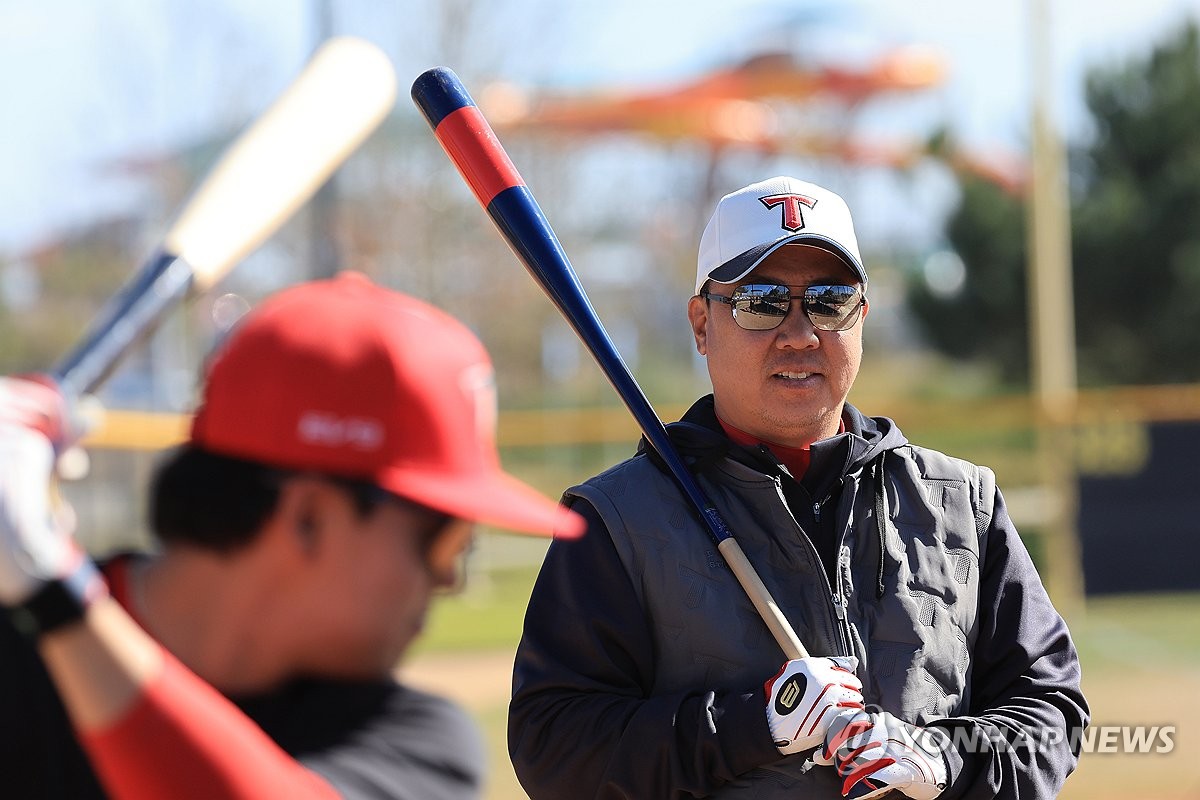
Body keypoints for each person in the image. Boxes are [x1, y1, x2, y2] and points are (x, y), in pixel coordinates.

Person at [508, 176, 1089, 799]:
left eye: (829, 300)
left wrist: (943, 758)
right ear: (702, 325)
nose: (799, 332)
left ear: (861, 317)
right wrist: (747, 725)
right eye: (760, 302)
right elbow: (554, 748)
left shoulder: (959, 502)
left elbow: (1051, 712)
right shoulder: (618, 521)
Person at [0, 271, 584, 800]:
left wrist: (55, 590)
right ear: (308, 518)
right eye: (441, 541)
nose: (448, 579)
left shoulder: (418, 744)